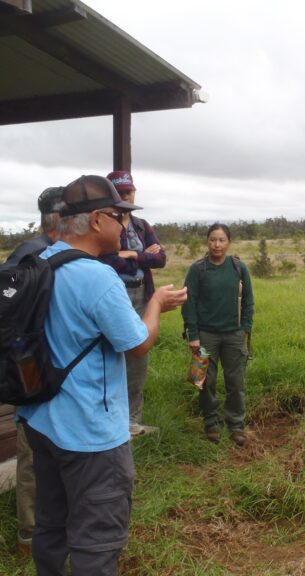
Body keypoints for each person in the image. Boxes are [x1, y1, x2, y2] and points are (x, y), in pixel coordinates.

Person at [16, 175, 187, 576]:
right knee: (96, 541)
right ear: (96, 220)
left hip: (42, 421)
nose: (124, 225)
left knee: (51, 526)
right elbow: (137, 343)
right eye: (118, 216)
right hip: (90, 433)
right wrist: (157, 304)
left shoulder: (39, 263)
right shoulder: (96, 277)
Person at [1, 186, 64, 556]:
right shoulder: (41, 257)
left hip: (24, 363)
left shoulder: (22, 252)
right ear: (59, 219)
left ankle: (33, 531)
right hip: (35, 364)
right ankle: (34, 533)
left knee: (33, 445)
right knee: (36, 449)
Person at [99, 170, 166, 437]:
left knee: (139, 357)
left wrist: (130, 254)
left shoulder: (141, 226)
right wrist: (141, 255)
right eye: (122, 193)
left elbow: (160, 259)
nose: (127, 196)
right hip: (116, 295)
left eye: (130, 191)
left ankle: (132, 422)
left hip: (141, 295)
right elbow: (108, 261)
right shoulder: (105, 226)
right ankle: (109, 421)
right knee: (111, 355)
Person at [181, 224, 254, 446]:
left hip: (233, 336)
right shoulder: (198, 269)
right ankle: (211, 423)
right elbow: (188, 303)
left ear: (228, 242)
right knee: (204, 380)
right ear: (207, 242)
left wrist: (244, 329)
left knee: (236, 382)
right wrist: (193, 335)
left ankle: (236, 425)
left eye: (222, 240)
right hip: (205, 336)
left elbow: (249, 301)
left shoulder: (238, 267)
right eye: (213, 240)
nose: (217, 245)